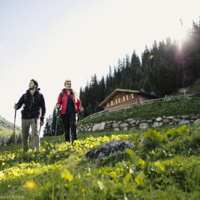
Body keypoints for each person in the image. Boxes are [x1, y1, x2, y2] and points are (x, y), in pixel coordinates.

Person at [14, 79, 46, 151]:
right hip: (25, 117)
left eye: (31, 83)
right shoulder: (25, 95)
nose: (29, 84)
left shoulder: (40, 96)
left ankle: (37, 150)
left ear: (35, 86)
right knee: (24, 136)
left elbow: (43, 108)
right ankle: (26, 151)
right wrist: (16, 106)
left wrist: (42, 119)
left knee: (35, 134)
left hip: (34, 117)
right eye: (29, 83)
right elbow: (19, 104)